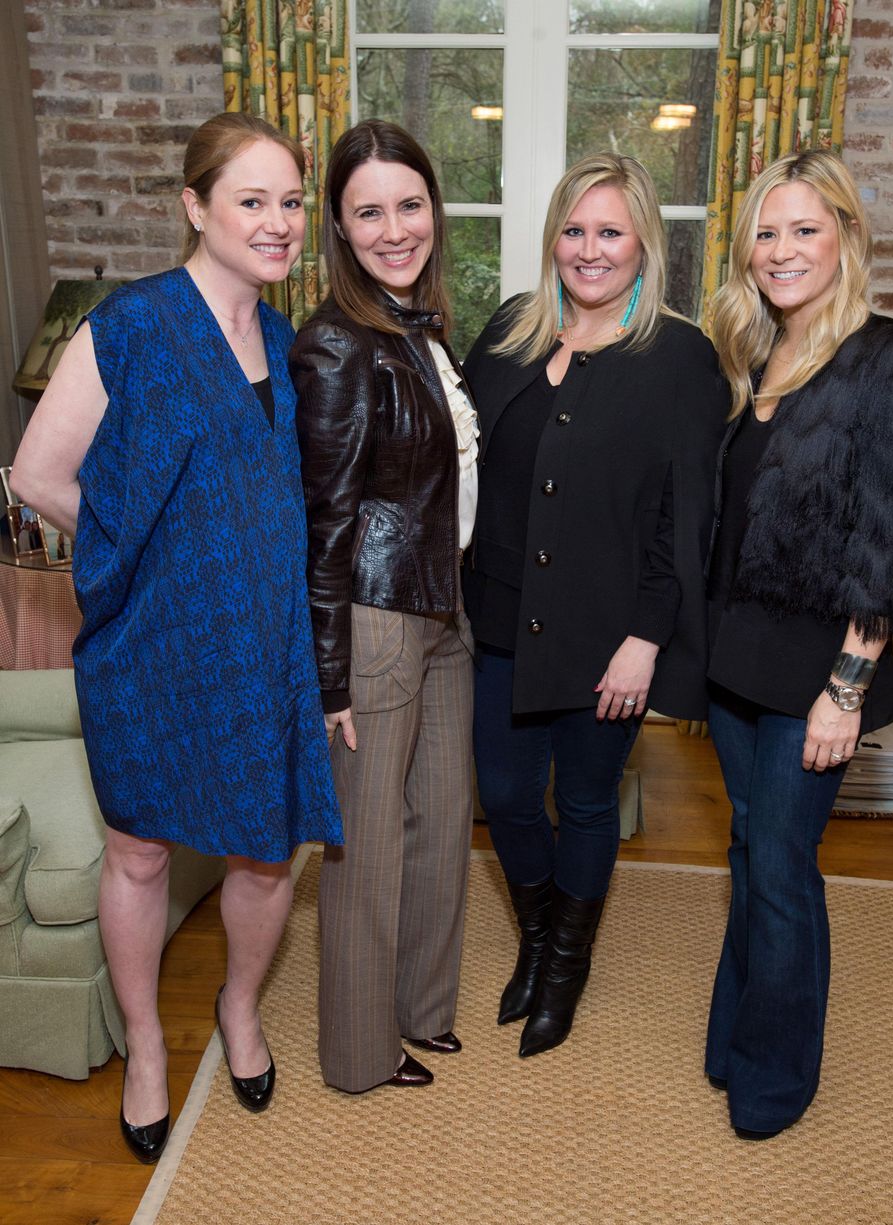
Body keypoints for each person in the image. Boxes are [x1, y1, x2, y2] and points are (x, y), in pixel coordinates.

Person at [10, 113, 342, 1164]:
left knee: (259, 847)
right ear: (195, 207)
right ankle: (148, 1045)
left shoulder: (288, 345)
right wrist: (142, 553)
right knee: (141, 849)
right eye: (253, 201)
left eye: (291, 202)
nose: (279, 222)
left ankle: (239, 1012)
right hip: (150, 646)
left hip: (263, 650)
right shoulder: (131, 327)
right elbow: (36, 476)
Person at [704, 149, 893, 1139]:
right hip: (731, 662)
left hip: (814, 670)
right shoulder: (756, 353)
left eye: (803, 228)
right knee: (747, 845)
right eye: (765, 231)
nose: (780, 249)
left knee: (778, 861)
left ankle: (775, 1072)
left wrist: (846, 689)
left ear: (844, 236)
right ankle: (736, 1029)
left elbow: (892, 539)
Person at [462, 153, 728, 1058]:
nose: (589, 249)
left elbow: (683, 519)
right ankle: (537, 935)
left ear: (644, 242)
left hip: (606, 636)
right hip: (497, 618)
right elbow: (461, 475)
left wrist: (646, 639)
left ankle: (564, 966)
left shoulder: (682, 361)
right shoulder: (507, 336)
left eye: (609, 230)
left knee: (583, 801)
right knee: (502, 793)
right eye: (574, 230)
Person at [290, 120, 477, 1094]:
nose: (395, 227)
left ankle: (422, 1008)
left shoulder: (421, 324)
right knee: (364, 842)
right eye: (369, 210)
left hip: (441, 607)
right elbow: (320, 523)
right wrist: (327, 676)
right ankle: (360, 1054)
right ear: (339, 225)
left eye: (410, 203)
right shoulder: (331, 344)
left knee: (442, 819)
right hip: (371, 617)